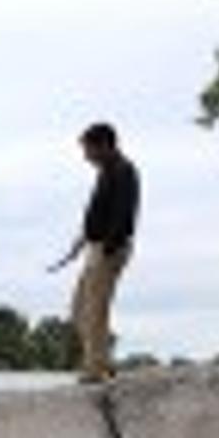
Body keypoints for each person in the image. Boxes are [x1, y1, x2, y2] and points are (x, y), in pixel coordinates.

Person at [51, 123, 141, 383]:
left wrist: (106, 250)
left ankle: (94, 370)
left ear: (104, 145)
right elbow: (96, 216)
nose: (85, 156)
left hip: (110, 249)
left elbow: (125, 217)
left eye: (88, 149)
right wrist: (78, 247)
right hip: (97, 248)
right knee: (79, 309)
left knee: (95, 309)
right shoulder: (105, 172)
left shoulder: (125, 171)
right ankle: (104, 361)